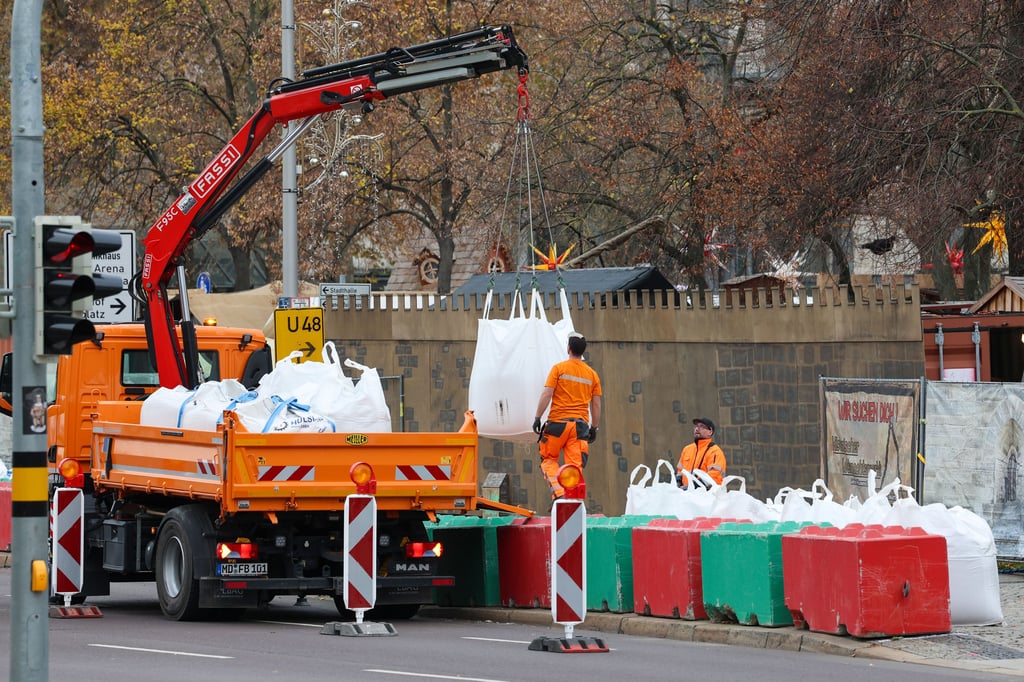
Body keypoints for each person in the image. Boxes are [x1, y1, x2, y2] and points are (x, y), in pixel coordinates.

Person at [533, 331, 602, 499]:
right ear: (582, 351)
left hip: (557, 424)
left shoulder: (559, 369)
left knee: (549, 460)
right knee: (574, 467)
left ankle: (559, 493)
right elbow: (596, 403)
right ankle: (570, 500)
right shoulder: (592, 375)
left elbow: (547, 394)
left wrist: (537, 417)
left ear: (568, 348)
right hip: (579, 428)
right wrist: (594, 427)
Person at [676, 417, 726, 488]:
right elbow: (680, 470)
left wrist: (693, 487)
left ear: (710, 432)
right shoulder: (687, 449)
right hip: (686, 495)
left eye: (702, 427)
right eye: (696, 426)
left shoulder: (715, 452)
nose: (697, 429)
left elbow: (714, 476)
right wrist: (678, 482)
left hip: (706, 496)